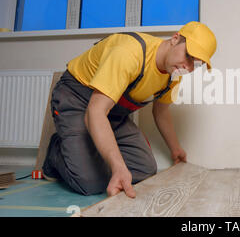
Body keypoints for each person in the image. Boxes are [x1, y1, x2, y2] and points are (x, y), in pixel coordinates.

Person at [42, 21, 217, 198]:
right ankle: (56, 152)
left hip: (111, 112)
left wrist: (175, 149)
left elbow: (161, 112)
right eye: (188, 55)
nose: (188, 67)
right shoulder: (130, 53)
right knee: (90, 183)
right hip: (78, 99)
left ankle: (88, 156)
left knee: (145, 170)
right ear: (175, 39)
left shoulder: (174, 75)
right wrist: (117, 167)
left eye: (196, 64)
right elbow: (95, 112)